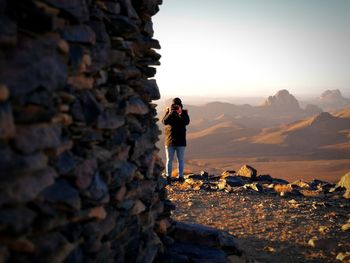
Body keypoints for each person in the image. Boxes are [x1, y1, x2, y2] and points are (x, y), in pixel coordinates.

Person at [162, 97, 190, 183]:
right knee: (172, 160)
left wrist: (181, 112)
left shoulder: (183, 113)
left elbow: (186, 122)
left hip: (175, 142)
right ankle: (170, 177)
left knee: (177, 160)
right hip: (172, 141)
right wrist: (171, 112)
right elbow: (164, 122)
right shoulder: (170, 113)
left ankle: (179, 177)